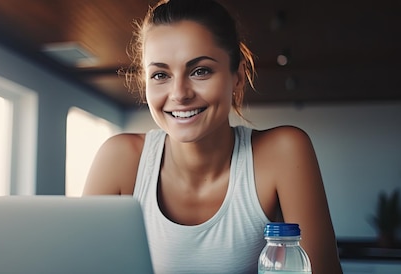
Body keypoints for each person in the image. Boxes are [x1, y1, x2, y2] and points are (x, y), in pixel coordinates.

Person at [83, 0, 343, 273]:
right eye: (160, 74)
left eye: (200, 71)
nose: (180, 93)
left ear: (238, 77)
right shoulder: (119, 159)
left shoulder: (284, 152)